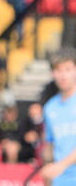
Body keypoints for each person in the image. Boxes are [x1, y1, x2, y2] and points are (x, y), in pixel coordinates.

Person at [42, 47, 76, 185]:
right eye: (58, 70)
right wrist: (47, 168)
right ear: (52, 73)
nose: (63, 75)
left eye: (68, 69)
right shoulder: (50, 107)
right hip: (61, 181)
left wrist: (61, 165)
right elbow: (50, 145)